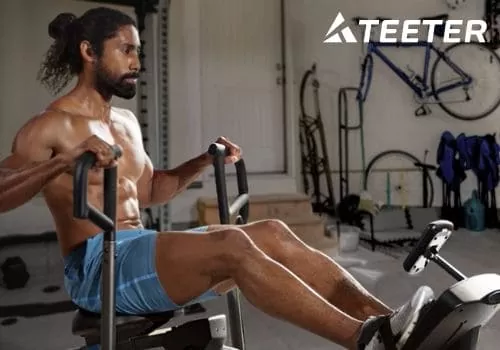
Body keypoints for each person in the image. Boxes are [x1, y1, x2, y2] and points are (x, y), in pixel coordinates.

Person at [0, 7, 434, 350]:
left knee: (273, 232)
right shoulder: (50, 127)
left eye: (139, 51)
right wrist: (62, 164)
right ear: (89, 52)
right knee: (234, 244)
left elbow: (150, 191)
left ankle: (395, 328)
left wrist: (203, 162)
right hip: (98, 267)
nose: (137, 61)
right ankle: (364, 342)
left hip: (137, 248)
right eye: (126, 50)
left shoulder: (126, 123)